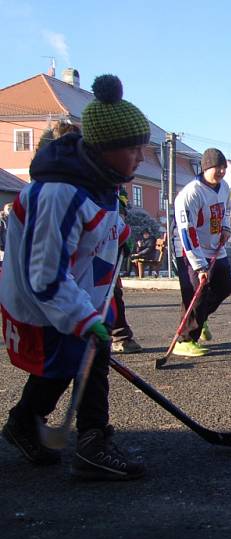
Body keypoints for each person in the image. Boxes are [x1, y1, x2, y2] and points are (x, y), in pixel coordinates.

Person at [1, 74, 149, 480]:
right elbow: (45, 274)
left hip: (78, 293)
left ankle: (32, 426)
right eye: (133, 148)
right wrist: (84, 319)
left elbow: (98, 226)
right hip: (47, 300)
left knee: (77, 362)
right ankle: (89, 443)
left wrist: (118, 233)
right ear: (105, 149)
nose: (141, 157)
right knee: (72, 362)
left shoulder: (101, 180)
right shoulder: (60, 193)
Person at [172, 148, 231, 357]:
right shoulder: (191, 194)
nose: (222, 172)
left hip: (215, 245)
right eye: (218, 168)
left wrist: (226, 227)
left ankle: (202, 317)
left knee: (225, 285)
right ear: (206, 167)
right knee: (195, 293)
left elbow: (227, 208)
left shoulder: (224, 187)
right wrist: (199, 265)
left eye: (224, 168)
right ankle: (185, 339)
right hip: (190, 249)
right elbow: (187, 231)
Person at [110, 186, 144, 354]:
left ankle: (120, 335)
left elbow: (120, 205)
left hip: (108, 240)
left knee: (112, 291)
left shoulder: (114, 185)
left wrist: (121, 230)